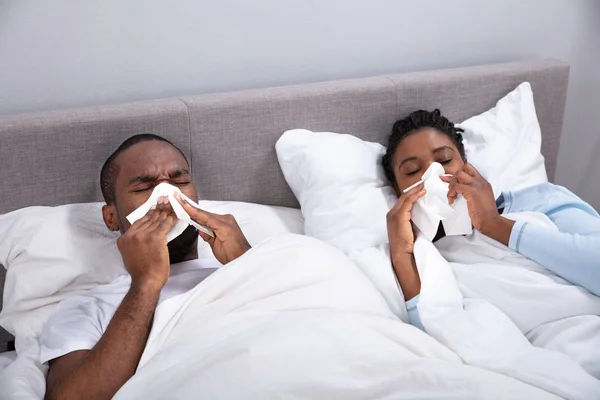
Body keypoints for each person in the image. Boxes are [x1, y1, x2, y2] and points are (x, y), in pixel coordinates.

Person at [41, 134, 252, 400]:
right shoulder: (85, 309)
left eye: (180, 182)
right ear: (111, 217)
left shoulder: (253, 264)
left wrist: (248, 263)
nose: (167, 198)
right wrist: (146, 285)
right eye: (144, 188)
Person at [382, 109, 600, 331]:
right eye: (413, 170)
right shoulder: (422, 257)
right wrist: (402, 256)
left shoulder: (542, 201)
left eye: (445, 160)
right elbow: (442, 334)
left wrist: (492, 223)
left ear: (466, 164)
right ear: (397, 190)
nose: (434, 175)